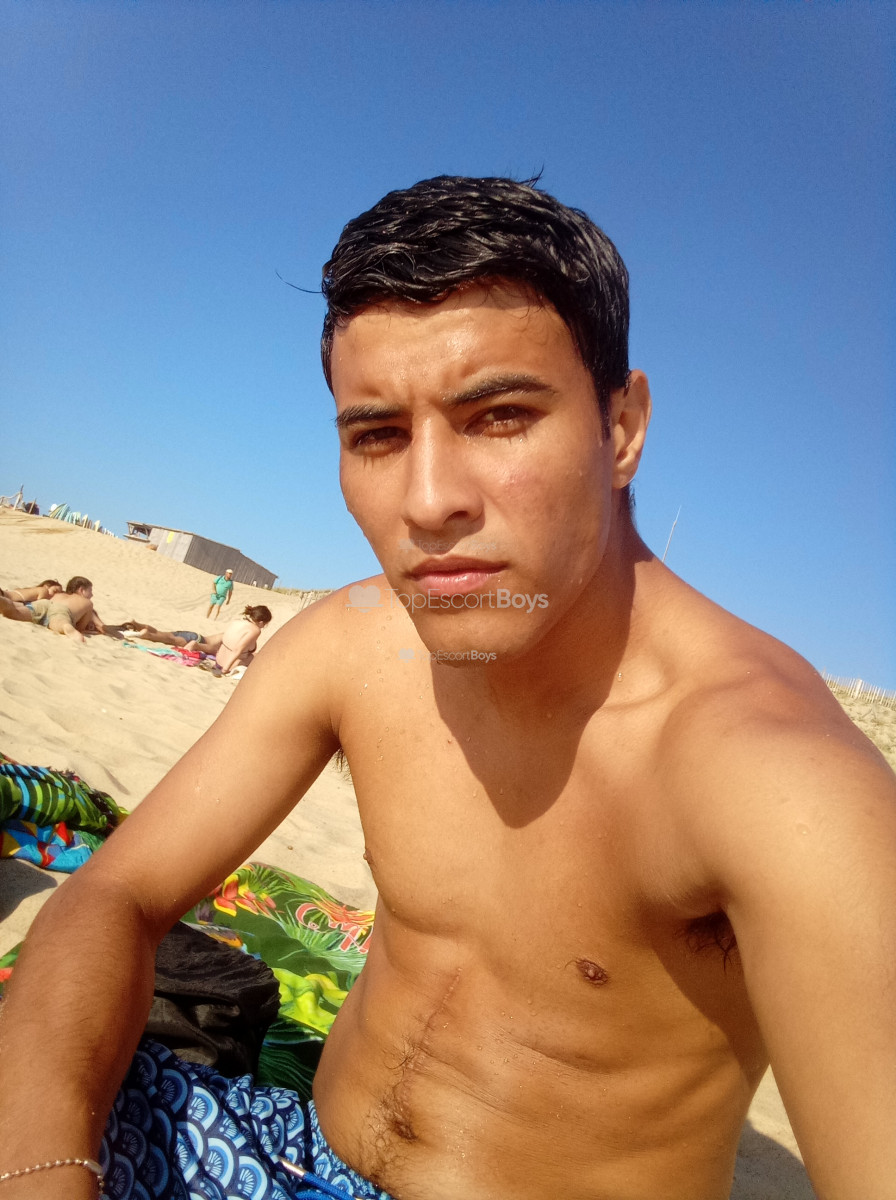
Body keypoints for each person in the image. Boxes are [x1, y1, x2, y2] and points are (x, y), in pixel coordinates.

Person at [0, 177, 894, 1200]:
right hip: (289, 1151)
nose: (427, 502)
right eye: (377, 435)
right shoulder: (352, 647)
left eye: (500, 416)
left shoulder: (778, 781)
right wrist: (46, 1172)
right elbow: (115, 894)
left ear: (621, 430)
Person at [26, 575, 117, 643]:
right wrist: (120, 636)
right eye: (90, 591)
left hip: (42, 607)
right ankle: (66, 627)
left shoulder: (59, 595)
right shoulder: (86, 604)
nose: (92, 595)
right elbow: (101, 626)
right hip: (60, 617)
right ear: (81, 590)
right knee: (61, 622)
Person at [207, 603, 272, 673]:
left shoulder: (237, 621)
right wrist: (225, 669)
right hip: (231, 664)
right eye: (265, 624)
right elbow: (237, 650)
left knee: (254, 655)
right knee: (259, 657)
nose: (263, 627)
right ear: (261, 622)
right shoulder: (255, 630)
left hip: (219, 658)